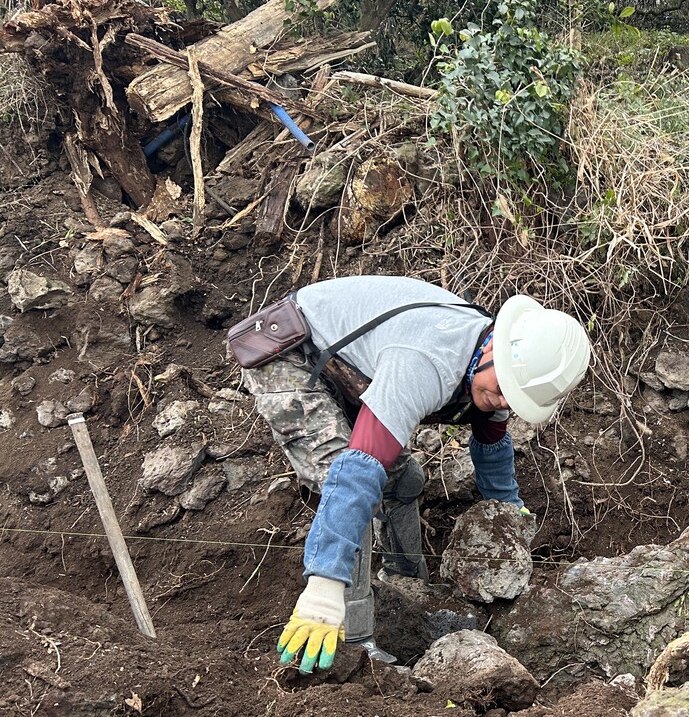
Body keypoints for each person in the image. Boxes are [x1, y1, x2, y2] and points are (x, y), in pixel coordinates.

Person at [237, 276, 591, 674]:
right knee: (352, 485)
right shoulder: (426, 363)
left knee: (404, 481)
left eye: (517, 395)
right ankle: (354, 643)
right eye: (505, 386)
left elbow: (492, 445)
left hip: (354, 366)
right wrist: (324, 583)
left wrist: (508, 509)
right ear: (493, 346)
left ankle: (406, 581)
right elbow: (356, 473)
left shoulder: (497, 370)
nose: (505, 400)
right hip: (295, 354)